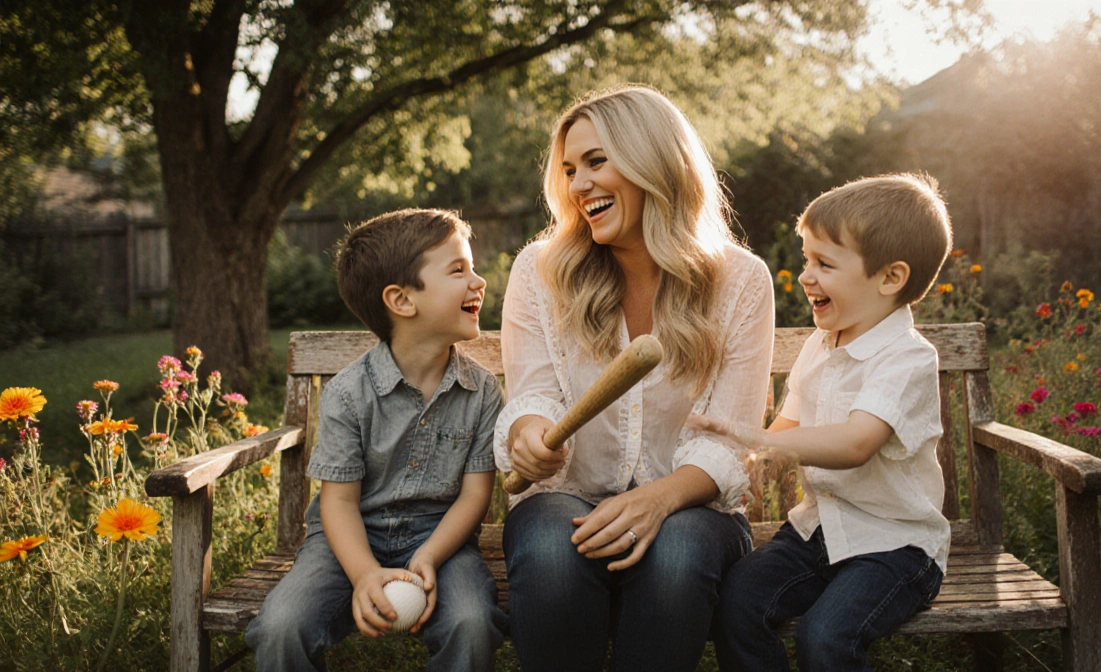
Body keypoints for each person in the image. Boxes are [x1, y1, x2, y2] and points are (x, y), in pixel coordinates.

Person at [493, 84, 775, 672]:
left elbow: (731, 440)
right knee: (549, 549)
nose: (577, 185)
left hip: (691, 510)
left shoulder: (740, 281)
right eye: (570, 170)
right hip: (566, 497)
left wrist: (659, 499)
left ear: (655, 160)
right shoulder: (540, 271)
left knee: (675, 558)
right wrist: (528, 429)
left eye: (597, 162)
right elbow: (534, 392)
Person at [690, 173, 954, 672]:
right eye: (806, 259)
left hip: (896, 547)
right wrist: (751, 458)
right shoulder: (820, 343)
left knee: (826, 636)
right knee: (737, 603)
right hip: (820, 529)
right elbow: (787, 426)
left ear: (890, 278)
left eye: (824, 264)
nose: (805, 275)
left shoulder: (906, 360)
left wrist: (755, 435)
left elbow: (856, 443)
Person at [245, 208, 506, 671]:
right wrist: (364, 574)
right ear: (402, 301)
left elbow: (474, 496)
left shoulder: (481, 390)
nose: (478, 281)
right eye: (458, 269)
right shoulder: (349, 393)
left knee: (471, 621)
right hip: (347, 537)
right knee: (280, 627)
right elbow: (339, 504)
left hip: (439, 538)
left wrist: (427, 556)